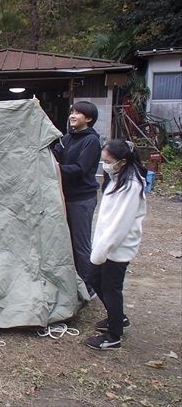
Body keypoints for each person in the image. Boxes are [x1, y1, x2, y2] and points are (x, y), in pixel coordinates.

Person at [85, 139, 147, 350]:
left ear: (123, 161)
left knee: (111, 288)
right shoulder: (118, 177)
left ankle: (113, 336)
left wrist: (101, 251)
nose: (105, 164)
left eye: (108, 161)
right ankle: (118, 318)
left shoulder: (131, 184)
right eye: (103, 160)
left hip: (117, 247)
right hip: (106, 244)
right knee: (95, 279)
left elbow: (120, 223)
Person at [52, 101, 102, 297]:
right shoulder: (68, 137)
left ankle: (89, 287)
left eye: (78, 113)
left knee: (81, 245)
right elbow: (55, 155)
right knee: (67, 242)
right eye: (72, 112)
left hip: (81, 199)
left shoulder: (91, 141)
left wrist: (56, 169)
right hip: (67, 197)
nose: (72, 115)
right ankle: (75, 282)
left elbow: (80, 169)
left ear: (88, 119)